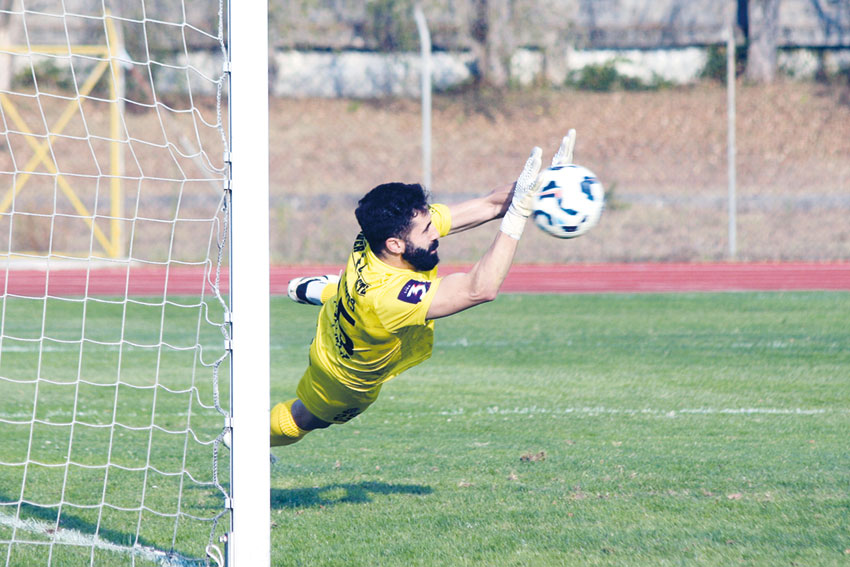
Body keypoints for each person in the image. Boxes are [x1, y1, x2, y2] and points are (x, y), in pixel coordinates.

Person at [271, 130, 576, 446]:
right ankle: (248, 445)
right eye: (428, 229)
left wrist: (544, 186)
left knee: (357, 300)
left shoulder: (372, 238)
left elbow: (488, 204)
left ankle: (330, 292)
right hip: (340, 379)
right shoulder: (391, 297)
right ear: (395, 244)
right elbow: (479, 288)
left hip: (350, 312)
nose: (437, 233)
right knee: (304, 418)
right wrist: (519, 216)